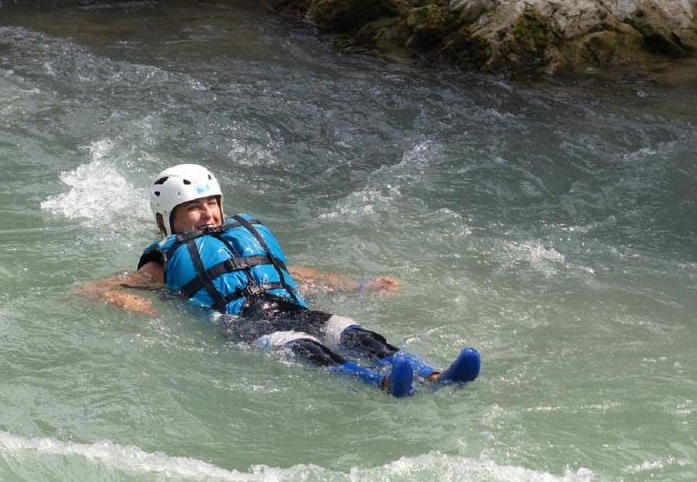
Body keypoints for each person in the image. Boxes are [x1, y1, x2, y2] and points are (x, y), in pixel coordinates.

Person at [75, 164, 480, 397]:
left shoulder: (242, 238)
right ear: (168, 220)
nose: (208, 214)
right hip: (245, 324)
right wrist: (125, 301)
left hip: (290, 308)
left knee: (358, 334)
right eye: (193, 208)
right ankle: (382, 383)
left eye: (212, 203)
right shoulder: (165, 260)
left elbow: (299, 276)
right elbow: (95, 288)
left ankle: (434, 377)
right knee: (306, 348)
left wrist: (360, 285)